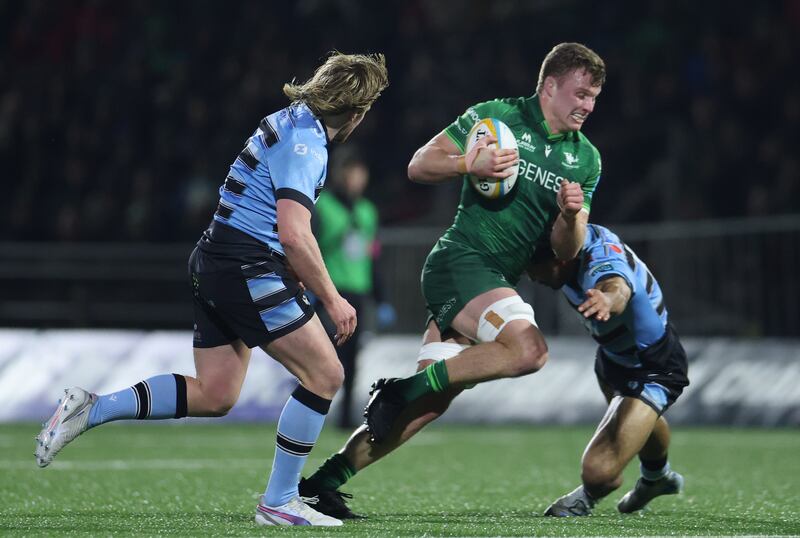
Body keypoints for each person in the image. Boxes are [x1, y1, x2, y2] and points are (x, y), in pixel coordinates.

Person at [34, 51, 389, 527]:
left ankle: (92, 409)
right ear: (358, 110)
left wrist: (295, 270)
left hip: (216, 257)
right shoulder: (308, 142)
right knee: (325, 373)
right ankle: (279, 501)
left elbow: (267, 213)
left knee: (216, 392)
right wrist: (333, 298)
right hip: (245, 263)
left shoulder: (290, 119)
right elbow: (294, 232)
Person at [298, 42, 606, 519]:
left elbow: (567, 250)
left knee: (428, 404)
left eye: (594, 98)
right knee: (530, 351)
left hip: (493, 279)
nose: (588, 106)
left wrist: (570, 216)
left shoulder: (585, 160)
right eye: (581, 94)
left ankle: (321, 484)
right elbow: (419, 164)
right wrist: (469, 164)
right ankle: (400, 388)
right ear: (550, 86)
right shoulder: (497, 117)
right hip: (461, 261)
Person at [528, 224, 689, 515]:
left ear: (560, 259)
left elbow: (617, 285)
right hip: (612, 359)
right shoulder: (575, 239)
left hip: (653, 366)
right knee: (642, 421)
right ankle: (656, 478)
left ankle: (586, 498)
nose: (532, 276)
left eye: (535, 268)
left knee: (598, 473)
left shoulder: (600, 264)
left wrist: (608, 299)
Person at [312, 147, 395, 428]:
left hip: (357, 294)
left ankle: (345, 419)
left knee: (351, 362)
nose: (356, 179)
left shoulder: (368, 212)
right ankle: (311, 411)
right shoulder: (322, 206)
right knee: (323, 359)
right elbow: (310, 247)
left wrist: (381, 299)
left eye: (360, 173)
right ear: (338, 174)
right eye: (350, 173)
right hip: (328, 294)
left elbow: (373, 258)